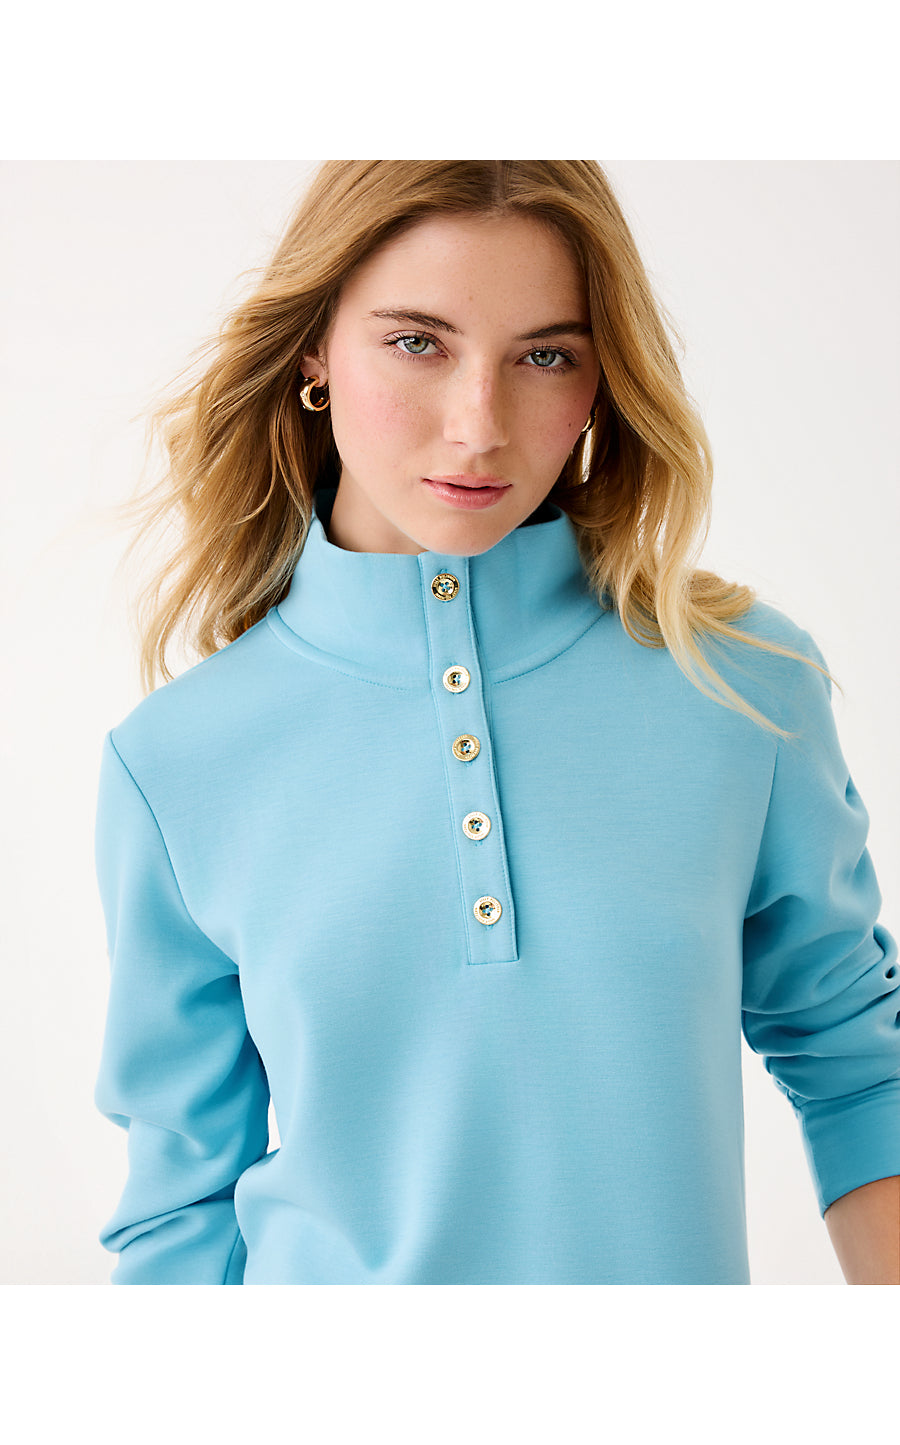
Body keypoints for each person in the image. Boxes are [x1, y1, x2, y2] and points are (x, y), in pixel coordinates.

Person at [93, 160, 900, 1286]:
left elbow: (861, 1069)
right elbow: (179, 1209)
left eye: (545, 355)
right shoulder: (175, 760)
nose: (479, 425)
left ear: (603, 377)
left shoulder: (742, 685)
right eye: (417, 342)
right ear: (314, 349)